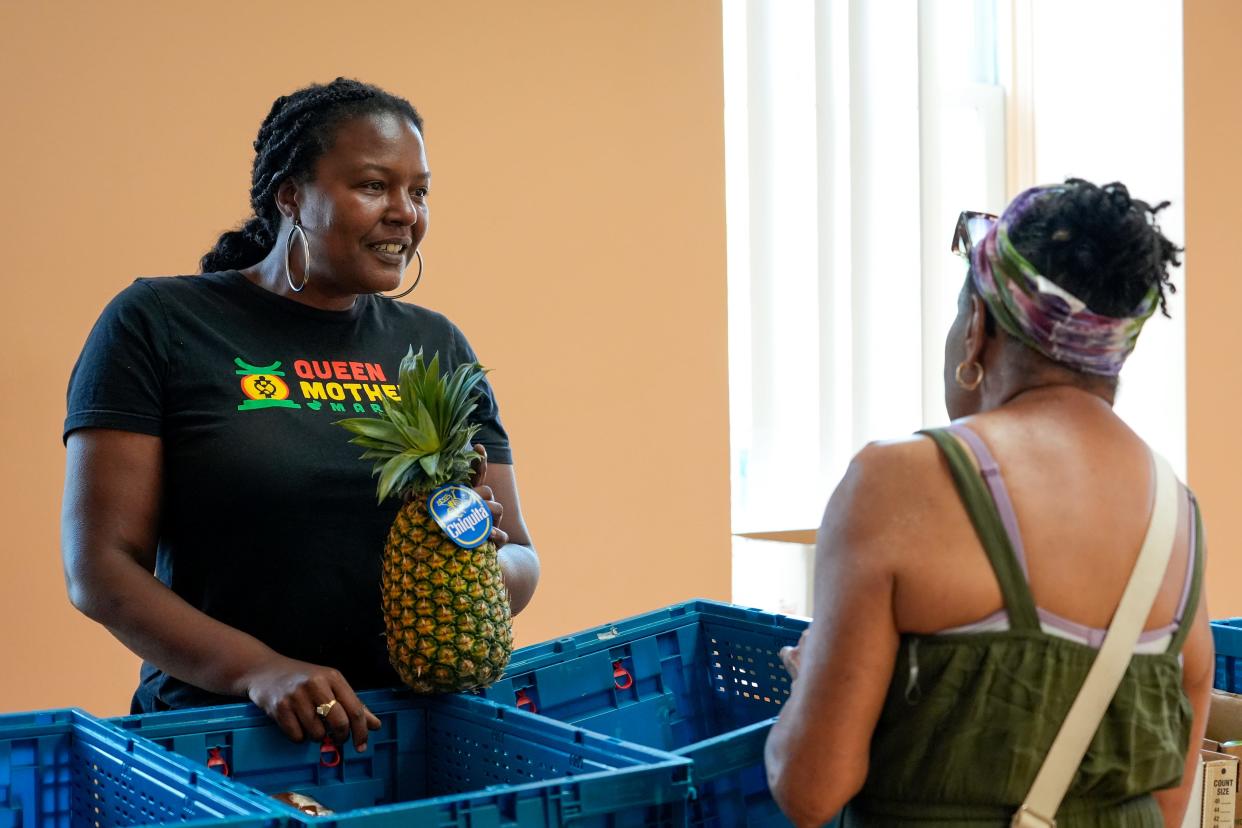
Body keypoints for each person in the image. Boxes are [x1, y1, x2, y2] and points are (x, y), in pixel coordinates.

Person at [60, 78, 540, 753]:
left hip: (410, 733)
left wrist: (474, 570)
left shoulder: (437, 348)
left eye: (419, 191)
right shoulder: (160, 323)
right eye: (375, 186)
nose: (405, 212)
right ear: (291, 195)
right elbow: (101, 568)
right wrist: (259, 671)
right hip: (222, 739)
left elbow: (520, 553)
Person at [764, 179, 1211, 827]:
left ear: (976, 328)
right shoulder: (1178, 515)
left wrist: (810, 679)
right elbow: (1168, 806)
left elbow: (811, 791)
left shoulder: (900, 481)